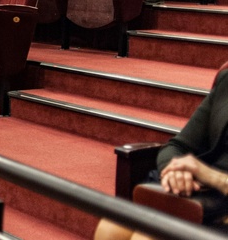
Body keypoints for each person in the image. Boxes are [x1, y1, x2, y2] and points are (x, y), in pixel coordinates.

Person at [93, 68, 228, 239]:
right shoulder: (226, 80)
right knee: (111, 226)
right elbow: (177, 146)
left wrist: (211, 176)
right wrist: (176, 171)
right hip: (201, 198)